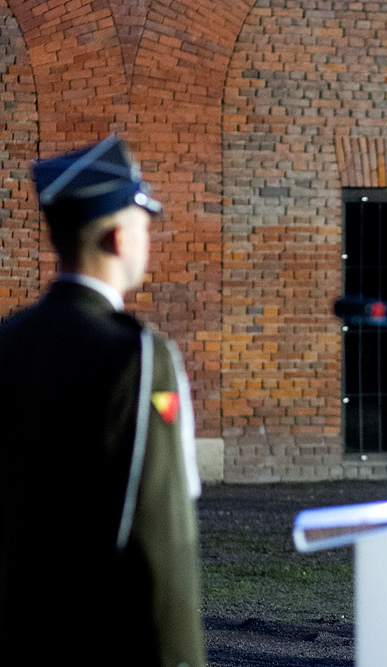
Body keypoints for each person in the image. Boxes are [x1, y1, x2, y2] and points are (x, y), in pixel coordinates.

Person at [0, 136, 205, 667]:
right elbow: (160, 532)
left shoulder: (10, 341)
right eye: (144, 222)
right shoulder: (136, 356)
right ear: (118, 235)